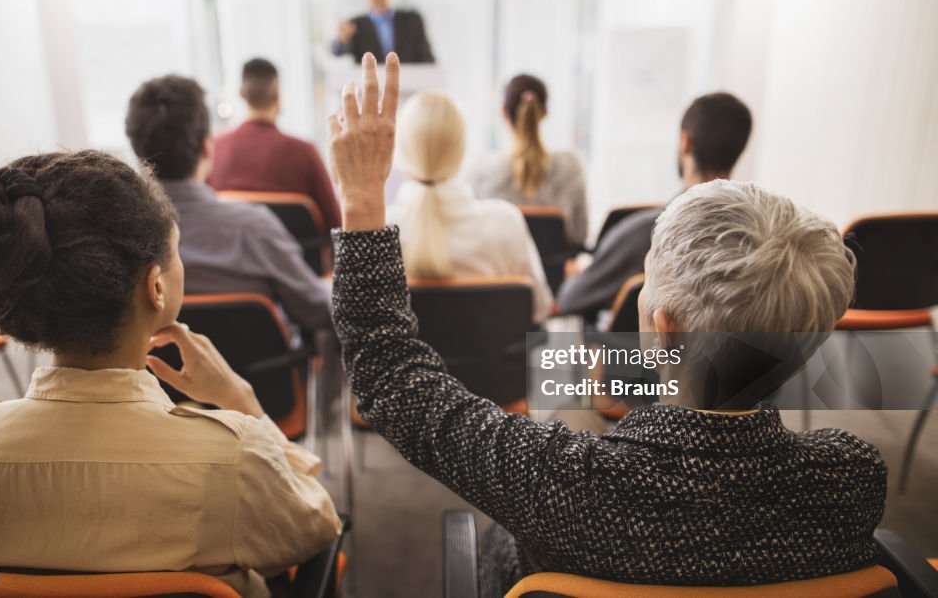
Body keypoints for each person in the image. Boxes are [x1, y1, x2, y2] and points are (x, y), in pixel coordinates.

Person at [328, 53, 886, 596]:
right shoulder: (852, 479)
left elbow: (392, 379)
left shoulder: (565, 483)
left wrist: (360, 198)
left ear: (664, 332)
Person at [0, 151, 340, 598]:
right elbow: (317, 525)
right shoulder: (235, 457)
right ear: (155, 287)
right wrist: (243, 403)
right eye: (176, 254)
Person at [126, 74, 332, 332]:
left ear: (137, 152)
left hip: (153, 373)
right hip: (252, 374)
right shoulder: (254, 229)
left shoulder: (118, 240)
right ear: (207, 147)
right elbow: (317, 311)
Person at [557, 92, 752, 322]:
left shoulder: (645, 234)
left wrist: (585, 272)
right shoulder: (754, 239)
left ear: (685, 142)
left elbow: (567, 301)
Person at [387, 89, 552, 322]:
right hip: (496, 359)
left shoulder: (378, 235)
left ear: (400, 150)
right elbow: (539, 310)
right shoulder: (505, 223)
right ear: (462, 149)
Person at [208, 58, 342, 230]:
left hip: (228, 256)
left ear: (241, 94)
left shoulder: (214, 149)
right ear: (277, 96)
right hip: (297, 257)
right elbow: (335, 224)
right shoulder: (304, 153)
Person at [472, 74, 588, 246]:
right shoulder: (571, 166)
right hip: (556, 273)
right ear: (545, 112)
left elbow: (476, 235)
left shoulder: (481, 171)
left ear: (503, 113)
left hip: (501, 272)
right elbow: (580, 235)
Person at [331, 0, 434, 64]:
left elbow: (428, 58)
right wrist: (342, 40)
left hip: (408, 79)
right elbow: (336, 51)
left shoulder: (413, 21)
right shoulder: (355, 25)